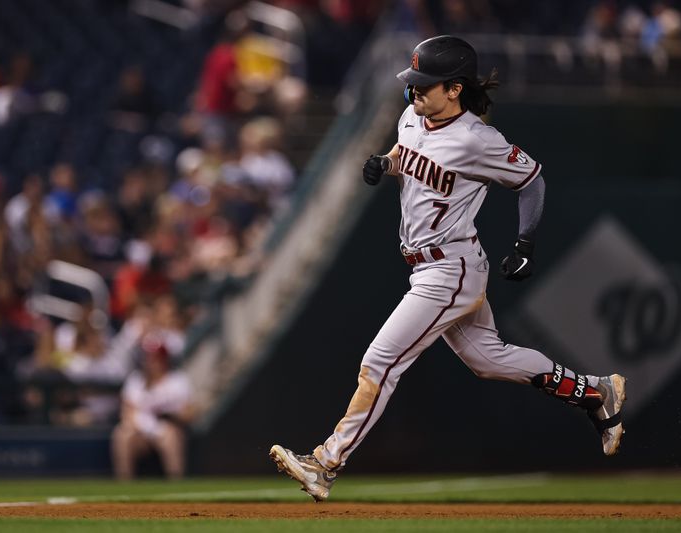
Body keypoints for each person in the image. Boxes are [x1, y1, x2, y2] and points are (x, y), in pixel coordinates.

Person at [269, 35, 627, 502]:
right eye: (414, 81)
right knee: (489, 359)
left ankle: (326, 462)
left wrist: (525, 242)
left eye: (426, 84)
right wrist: (385, 163)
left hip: (450, 268)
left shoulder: (477, 140)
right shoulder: (411, 116)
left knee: (381, 362)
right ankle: (596, 392)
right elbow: (408, 156)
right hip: (427, 267)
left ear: (455, 89)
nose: (415, 90)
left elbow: (533, 180)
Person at [111, 342, 195, 480]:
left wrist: (170, 416)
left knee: (170, 436)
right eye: (147, 358)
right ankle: (124, 485)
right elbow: (127, 413)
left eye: (154, 358)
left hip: (167, 429)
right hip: (140, 432)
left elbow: (189, 413)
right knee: (122, 435)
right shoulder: (135, 380)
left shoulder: (177, 381)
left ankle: (176, 483)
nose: (150, 362)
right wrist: (148, 429)